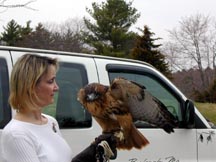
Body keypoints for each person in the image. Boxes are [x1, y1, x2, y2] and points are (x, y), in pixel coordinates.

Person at [0, 54, 116, 162]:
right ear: (31, 86)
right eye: (50, 81)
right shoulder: (16, 134)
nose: (56, 87)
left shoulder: (51, 122)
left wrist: (90, 153)